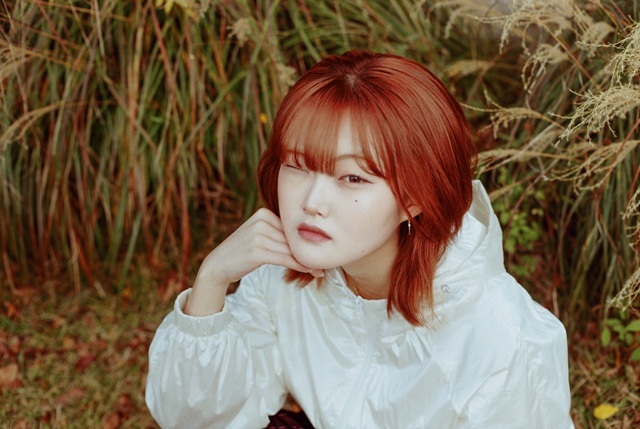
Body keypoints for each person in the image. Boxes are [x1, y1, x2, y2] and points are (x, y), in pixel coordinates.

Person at [145, 50, 574, 428]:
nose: (312, 203)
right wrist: (212, 280)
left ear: (413, 198)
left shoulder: (496, 338)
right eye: (297, 165)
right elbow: (194, 421)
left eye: (352, 177)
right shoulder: (282, 279)